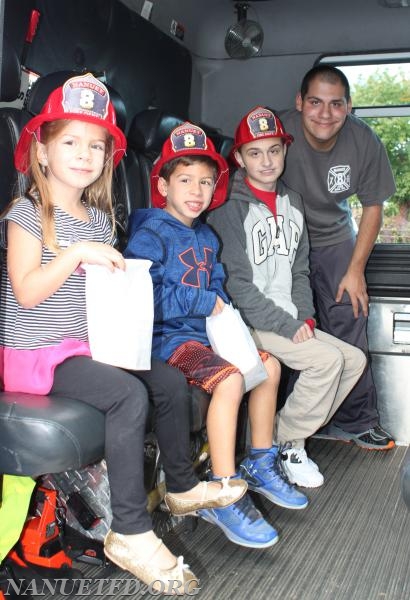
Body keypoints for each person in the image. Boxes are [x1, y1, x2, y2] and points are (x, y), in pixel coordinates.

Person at [0, 73, 247, 595]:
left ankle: (180, 487)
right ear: (41, 151)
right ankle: (130, 531)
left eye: (96, 146)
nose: (85, 155)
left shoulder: (96, 219)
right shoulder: (28, 214)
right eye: (70, 142)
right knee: (127, 394)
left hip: (83, 344)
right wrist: (76, 255)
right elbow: (26, 292)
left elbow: (100, 299)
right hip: (37, 352)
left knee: (165, 379)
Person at [125, 121, 309, 550]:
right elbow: (142, 297)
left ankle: (261, 462)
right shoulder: (150, 232)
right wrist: (202, 302)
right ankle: (221, 492)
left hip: (206, 336)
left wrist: (232, 325)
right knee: (228, 379)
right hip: (167, 342)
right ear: (163, 185)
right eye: (185, 179)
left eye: (206, 182)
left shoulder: (206, 236)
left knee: (268, 365)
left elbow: (219, 292)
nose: (196, 191)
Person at [208, 106, 367, 488]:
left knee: (354, 359)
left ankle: (278, 433)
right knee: (327, 361)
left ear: (284, 152)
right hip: (248, 321)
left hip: (288, 316)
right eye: (255, 153)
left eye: (274, 150)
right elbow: (237, 286)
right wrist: (286, 324)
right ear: (240, 158)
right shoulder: (230, 207)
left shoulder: (292, 201)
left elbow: (300, 270)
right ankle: (286, 445)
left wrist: (306, 317)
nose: (266, 161)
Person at [279, 64, 396, 450]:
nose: (325, 114)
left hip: (335, 240)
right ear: (299, 103)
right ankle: (294, 425)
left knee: (350, 320)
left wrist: (355, 270)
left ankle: (359, 420)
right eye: (315, 102)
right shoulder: (278, 132)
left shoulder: (364, 141)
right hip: (283, 241)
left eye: (336, 104)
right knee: (295, 330)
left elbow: (374, 207)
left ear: (349, 107)